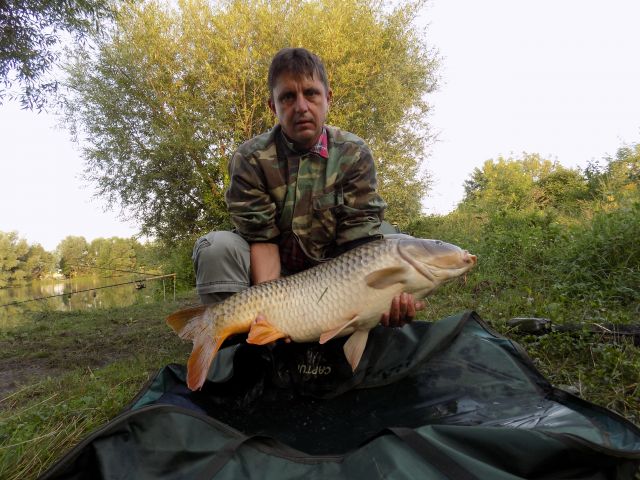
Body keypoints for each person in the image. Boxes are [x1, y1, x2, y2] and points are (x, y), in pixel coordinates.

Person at [193, 47, 424, 327]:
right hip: (272, 269)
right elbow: (262, 239)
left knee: (398, 244)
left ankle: (360, 324)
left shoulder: (354, 152)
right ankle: (238, 345)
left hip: (336, 272)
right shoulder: (250, 158)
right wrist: (275, 314)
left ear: (328, 98)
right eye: (288, 97)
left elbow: (359, 241)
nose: (301, 107)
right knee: (216, 248)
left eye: (311, 94)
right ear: (272, 106)